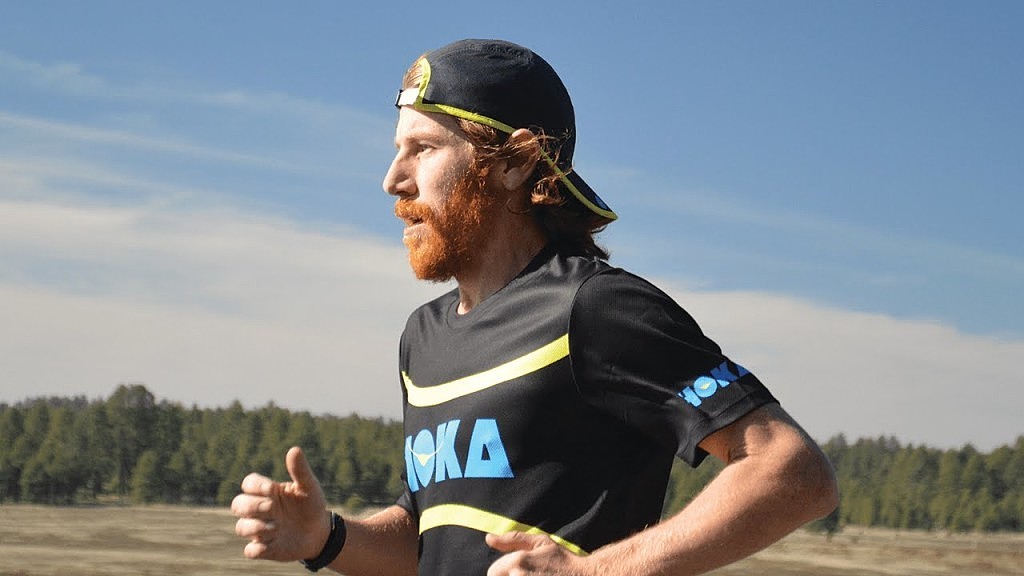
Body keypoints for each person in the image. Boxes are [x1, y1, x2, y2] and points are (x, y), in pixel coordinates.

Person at [232, 38, 838, 576]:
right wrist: (328, 538)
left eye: (423, 148)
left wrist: (597, 572)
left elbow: (792, 470)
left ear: (516, 161)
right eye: (398, 149)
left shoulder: (595, 307)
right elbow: (432, 542)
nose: (393, 179)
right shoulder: (423, 336)